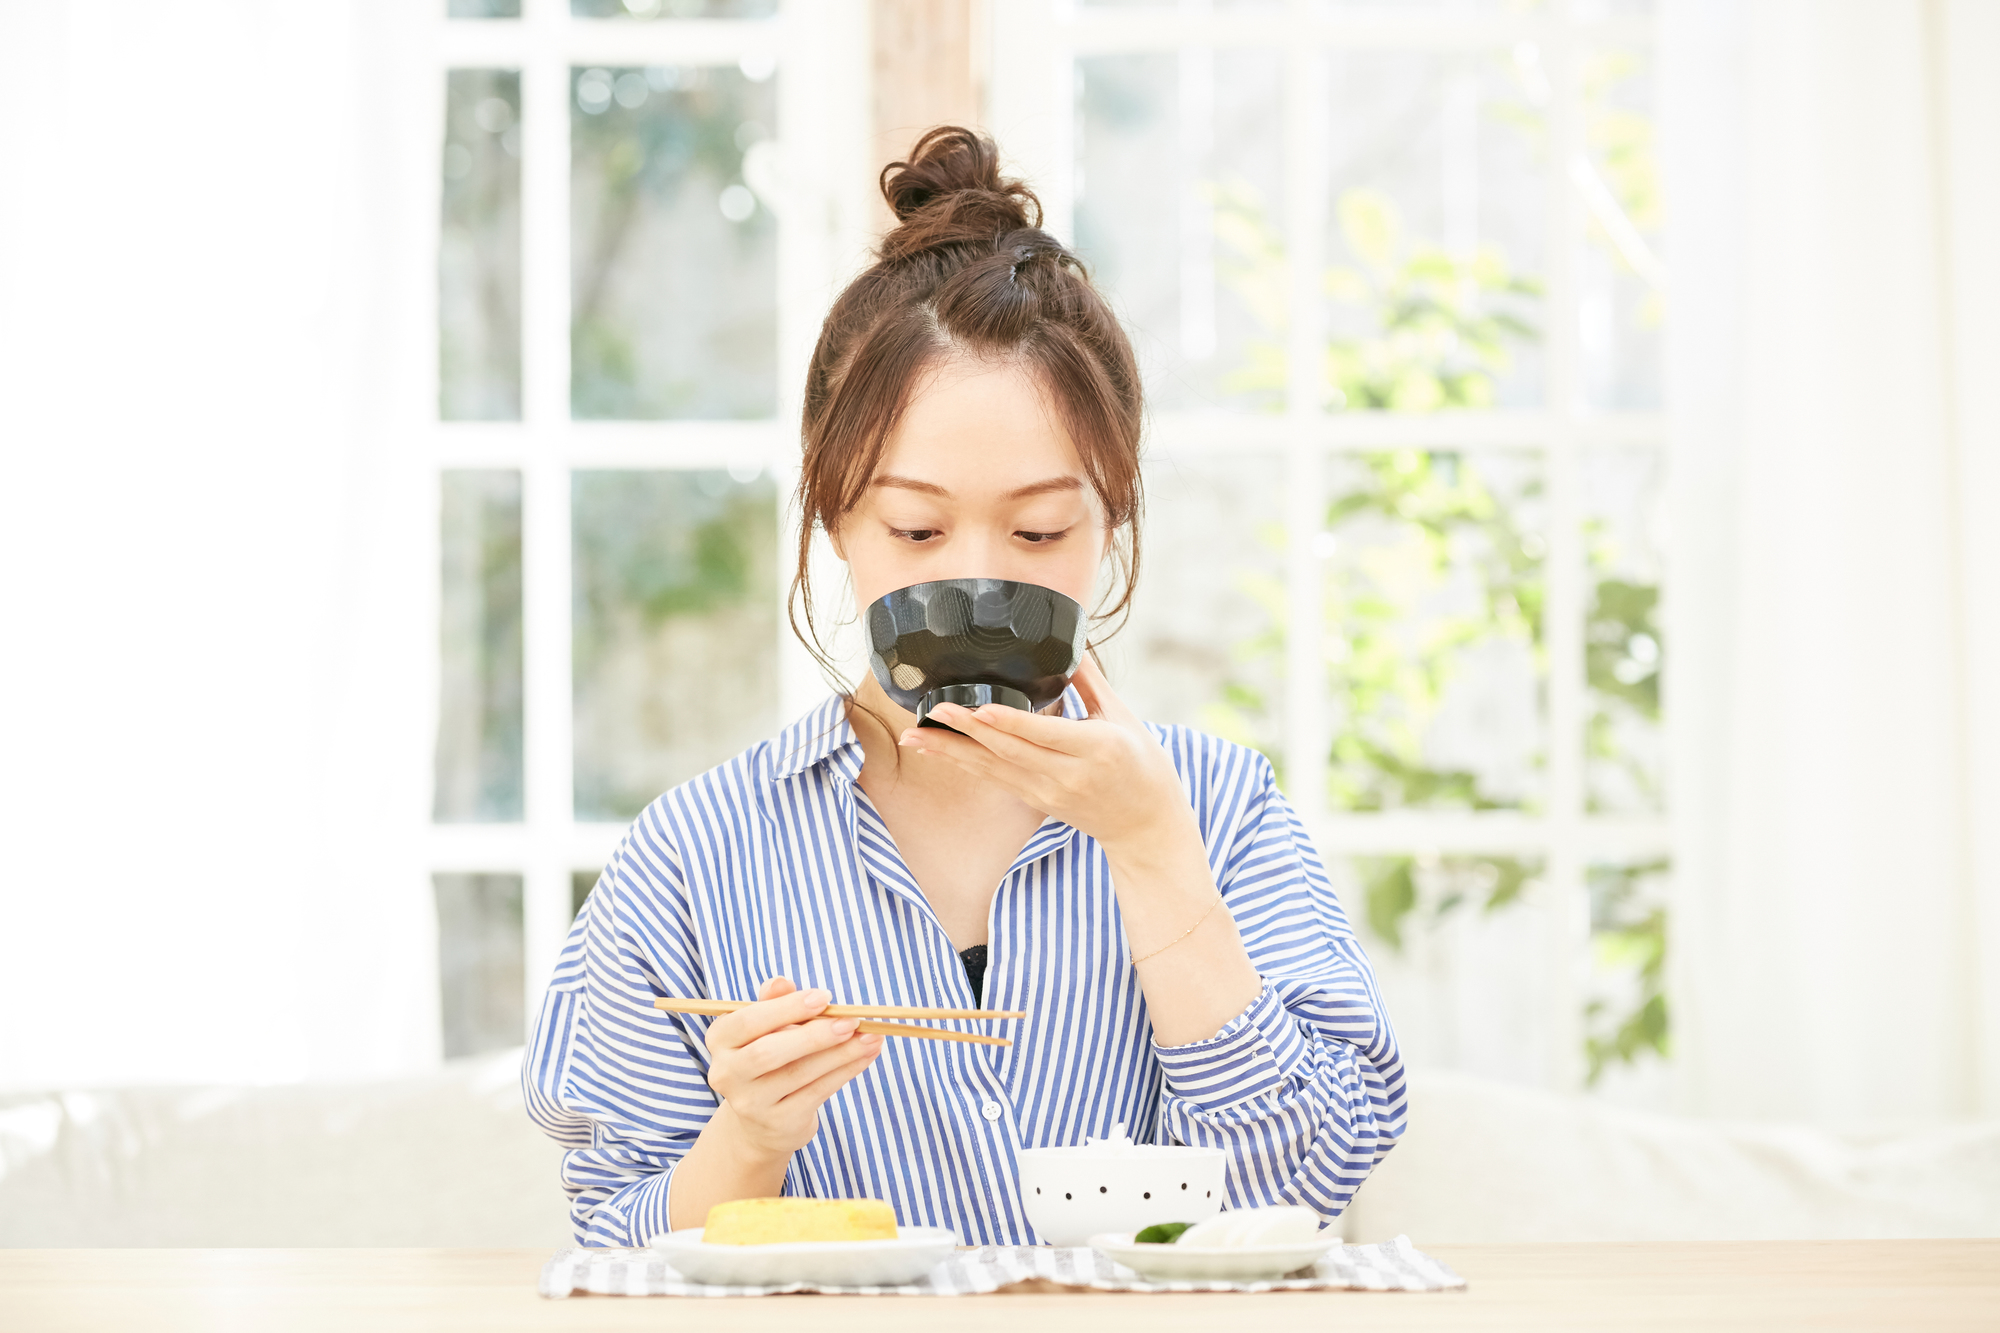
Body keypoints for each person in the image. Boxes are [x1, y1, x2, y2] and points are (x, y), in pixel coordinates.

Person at [524, 126, 1404, 1247]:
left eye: (1038, 529)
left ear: (1109, 520)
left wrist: (1149, 850)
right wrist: (745, 1136)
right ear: (835, 514)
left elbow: (1312, 1183)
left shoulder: (1220, 812)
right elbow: (611, 1253)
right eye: (916, 526)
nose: (977, 581)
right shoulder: (692, 861)